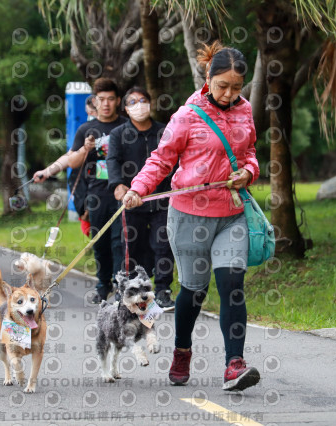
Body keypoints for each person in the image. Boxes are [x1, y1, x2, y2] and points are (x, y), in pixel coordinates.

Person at [122, 42, 261, 392]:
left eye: (236, 88)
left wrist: (248, 172)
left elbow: (250, 154)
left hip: (231, 213)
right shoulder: (187, 116)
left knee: (232, 287)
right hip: (190, 218)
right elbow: (161, 159)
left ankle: (234, 365)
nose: (229, 95)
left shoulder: (244, 111)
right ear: (207, 78)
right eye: (222, 87)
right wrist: (138, 188)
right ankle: (182, 351)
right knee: (194, 292)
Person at [34, 78, 125, 304]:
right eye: (101, 99)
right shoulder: (87, 129)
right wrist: (49, 169)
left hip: (123, 193)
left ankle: (121, 285)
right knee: (100, 242)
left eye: (111, 99)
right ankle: (103, 285)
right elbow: (71, 160)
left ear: (118, 101)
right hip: (97, 195)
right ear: (94, 101)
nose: (106, 104)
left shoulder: (127, 126)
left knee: (120, 242)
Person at [107, 87, 176, 311]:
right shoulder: (118, 134)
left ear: (150, 103)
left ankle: (164, 290)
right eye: (133, 102)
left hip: (162, 199)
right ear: (126, 108)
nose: (139, 105)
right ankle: (126, 290)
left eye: (143, 100)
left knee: (163, 245)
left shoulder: (164, 131)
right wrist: (118, 185)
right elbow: (112, 161)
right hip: (131, 200)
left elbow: (174, 160)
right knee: (129, 246)